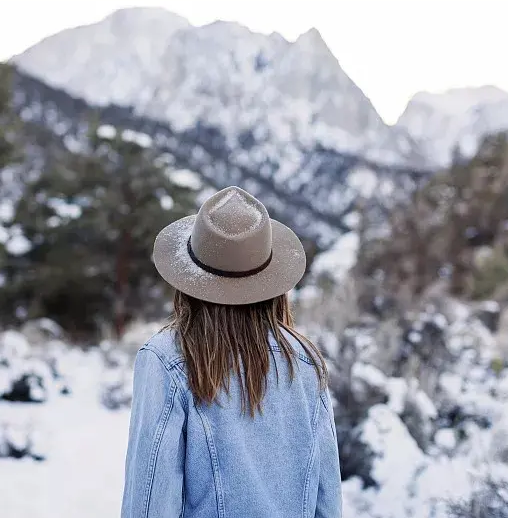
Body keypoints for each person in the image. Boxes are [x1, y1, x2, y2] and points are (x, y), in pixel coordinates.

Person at [121, 186, 342, 517]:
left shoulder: (168, 358)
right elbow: (327, 496)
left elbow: (152, 495)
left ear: (190, 281)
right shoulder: (304, 360)